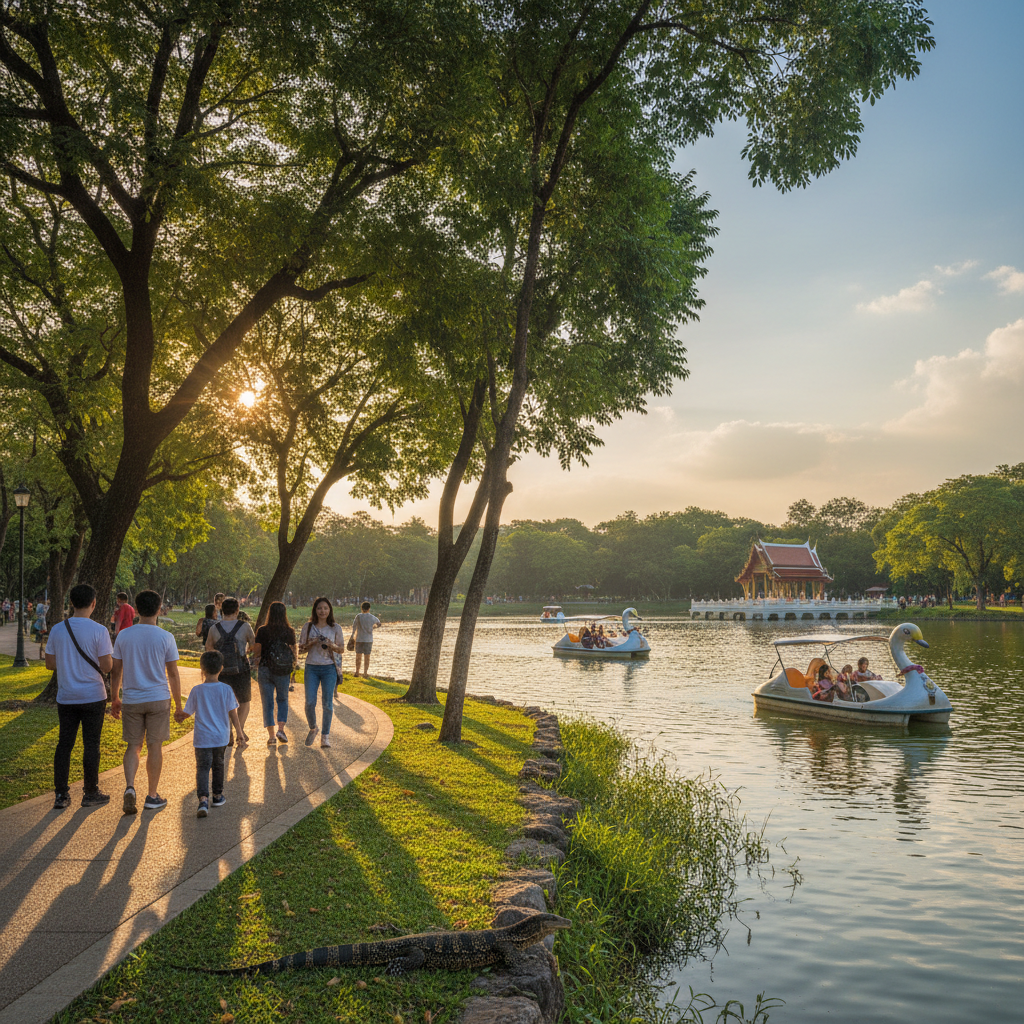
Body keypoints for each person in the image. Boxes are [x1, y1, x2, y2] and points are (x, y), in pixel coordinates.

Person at [110, 589, 183, 814]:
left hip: (132, 698)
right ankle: (152, 795)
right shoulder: (165, 637)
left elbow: (116, 671)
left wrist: (115, 698)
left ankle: (130, 787)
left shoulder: (124, 636)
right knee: (154, 746)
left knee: (134, 746)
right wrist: (179, 706)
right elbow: (172, 673)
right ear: (159, 609)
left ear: (136, 609)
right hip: (158, 699)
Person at [44, 583, 113, 810]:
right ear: (93, 603)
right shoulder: (100, 631)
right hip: (93, 695)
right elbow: (106, 666)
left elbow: (50, 664)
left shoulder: (57, 629)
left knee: (65, 744)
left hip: (67, 696)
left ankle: (61, 795)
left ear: (71, 603)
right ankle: (90, 792)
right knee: (91, 744)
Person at [175, 650, 246, 817]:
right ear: (221, 668)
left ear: (202, 669)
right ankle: (218, 795)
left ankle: (203, 800)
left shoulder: (197, 690)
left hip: (202, 738)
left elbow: (187, 713)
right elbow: (233, 713)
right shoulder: (226, 689)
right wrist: (240, 733)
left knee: (202, 767)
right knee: (219, 764)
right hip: (220, 737)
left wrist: (179, 716)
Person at [205, 597, 254, 746]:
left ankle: (229, 733)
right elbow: (253, 645)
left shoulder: (214, 628)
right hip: (241, 670)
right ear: (237, 610)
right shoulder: (245, 626)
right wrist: (245, 652)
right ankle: (241, 730)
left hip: (222, 671)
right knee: (244, 701)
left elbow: (208, 648)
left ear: (222, 611)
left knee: (226, 702)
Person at [298, 597, 344, 748]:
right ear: (315, 610)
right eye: (319, 608)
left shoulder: (335, 628)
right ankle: (313, 727)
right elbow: (301, 650)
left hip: (329, 668)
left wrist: (330, 644)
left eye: (325, 608)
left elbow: (342, 649)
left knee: (327, 704)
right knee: (310, 702)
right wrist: (311, 643)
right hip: (311, 667)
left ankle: (325, 736)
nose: (322, 611)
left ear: (330, 610)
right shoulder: (308, 627)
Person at [253, 601, 297, 745]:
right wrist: (293, 666)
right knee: (283, 699)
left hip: (265, 668)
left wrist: (256, 661)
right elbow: (293, 651)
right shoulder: (289, 631)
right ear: (284, 614)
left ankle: (271, 737)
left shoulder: (262, 630)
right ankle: (281, 729)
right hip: (283, 671)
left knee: (267, 703)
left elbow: (257, 650)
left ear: (269, 613)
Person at [350, 601, 381, 678]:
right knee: (367, 657)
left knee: (358, 656)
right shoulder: (372, 617)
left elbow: (354, 626)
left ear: (361, 608)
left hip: (359, 639)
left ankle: (357, 672)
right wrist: (373, 627)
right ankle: (365, 673)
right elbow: (379, 623)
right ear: (369, 608)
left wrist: (352, 636)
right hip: (368, 639)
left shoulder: (358, 616)